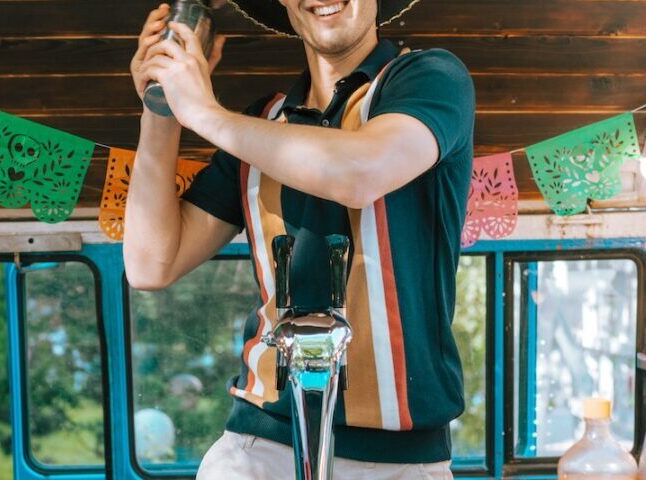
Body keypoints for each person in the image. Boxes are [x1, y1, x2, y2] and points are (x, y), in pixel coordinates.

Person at [124, 0, 475, 477]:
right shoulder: (261, 122)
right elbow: (149, 265)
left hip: (399, 462)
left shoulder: (431, 78)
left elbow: (359, 171)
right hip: (256, 445)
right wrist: (162, 106)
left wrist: (204, 113)